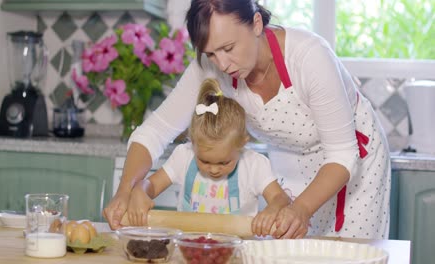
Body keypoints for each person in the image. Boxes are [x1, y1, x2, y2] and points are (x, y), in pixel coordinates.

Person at [103, 0, 391, 240]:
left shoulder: (309, 57)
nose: (222, 64)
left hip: (350, 167)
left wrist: (301, 208)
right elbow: (155, 130)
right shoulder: (211, 66)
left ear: (256, 24)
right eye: (211, 53)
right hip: (290, 165)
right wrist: (126, 190)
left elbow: (342, 154)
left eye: (228, 48)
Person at [125, 78, 290, 236]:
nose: (214, 169)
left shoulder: (254, 165)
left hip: (237, 252)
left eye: (224, 162)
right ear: (193, 145)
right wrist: (140, 190)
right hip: (189, 249)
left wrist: (272, 209)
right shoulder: (184, 156)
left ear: (242, 144)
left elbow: (280, 197)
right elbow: (151, 185)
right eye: (204, 161)